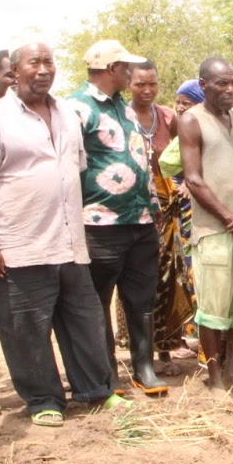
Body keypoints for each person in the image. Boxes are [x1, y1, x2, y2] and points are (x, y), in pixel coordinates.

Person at [0, 43, 116, 425]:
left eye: (49, 62)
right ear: (15, 71)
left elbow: (76, 169)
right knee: (26, 329)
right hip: (22, 244)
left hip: (69, 241)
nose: (44, 69)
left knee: (85, 321)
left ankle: (95, 391)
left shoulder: (66, 113)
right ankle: (43, 399)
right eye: (35, 62)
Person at [70, 39, 165, 397]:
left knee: (142, 298)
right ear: (112, 69)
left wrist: (153, 206)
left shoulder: (126, 109)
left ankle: (144, 368)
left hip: (140, 221)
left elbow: (141, 161)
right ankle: (106, 373)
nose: (130, 73)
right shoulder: (76, 108)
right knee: (97, 301)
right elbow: (69, 164)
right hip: (99, 223)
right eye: (126, 68)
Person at [180, 57, 233, 390]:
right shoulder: (191, 121)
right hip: (214, 230)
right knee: (213, 309)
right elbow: (193, 178)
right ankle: (214, 379)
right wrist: (230, 218)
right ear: (204, 85)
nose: (230, 89)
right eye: (222, 84)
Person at [126, 60, 195, 370]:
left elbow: (186, 156)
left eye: (152, 83)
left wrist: (187, 184)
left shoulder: (169, 117)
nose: (147, 89)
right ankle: (139, 353)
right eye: (140, 84)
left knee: (167, 277)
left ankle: (166, 349)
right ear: (129, 84)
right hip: (132, 204)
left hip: (166, 207)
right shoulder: (121, 117)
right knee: (136, 280)